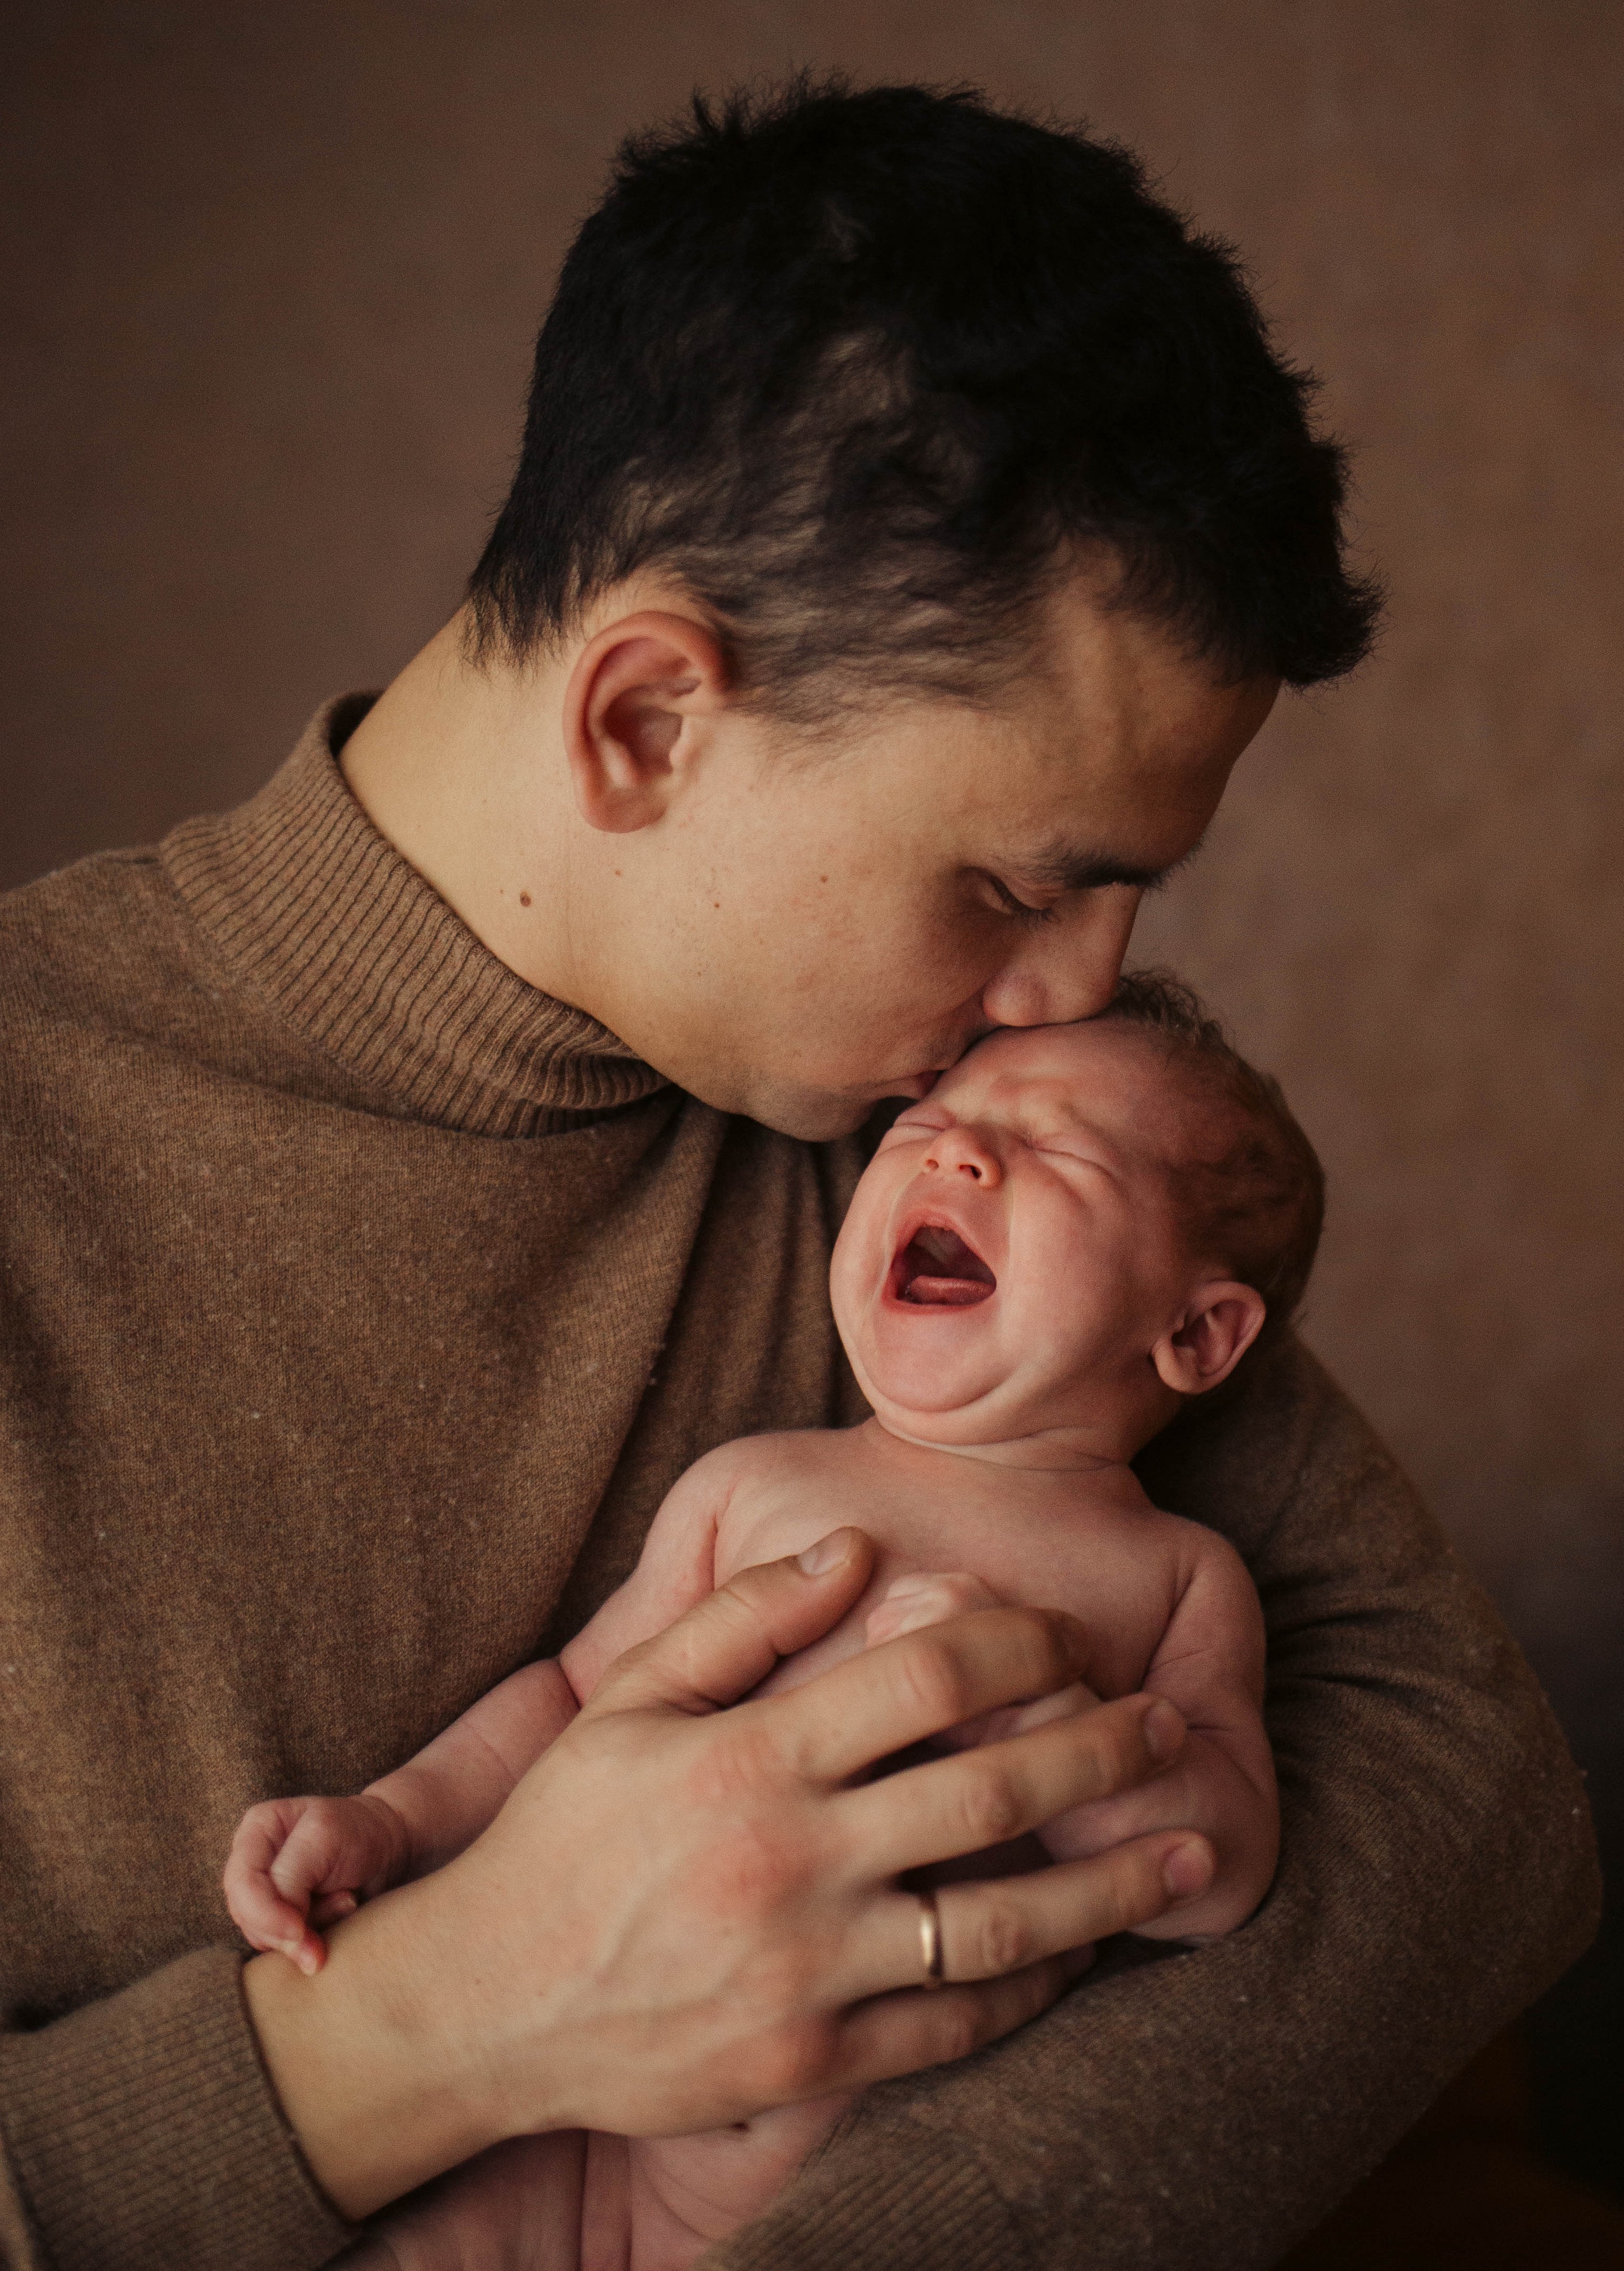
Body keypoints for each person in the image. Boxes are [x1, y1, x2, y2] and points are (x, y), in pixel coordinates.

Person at [0, 76, 1597, 2271]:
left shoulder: (919, 1153)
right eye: (1021, 886)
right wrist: (446, 2032)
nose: (1066, 1017)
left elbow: (1465, 1792)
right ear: (647, 721)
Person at [225, 982, 1313, 2269]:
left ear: (1193, 1329)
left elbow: (1224, 1861)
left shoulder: (1173, 1574)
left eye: (1060, 1144)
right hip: (553, 2107)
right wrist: (396, 1815)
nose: (958, 1148)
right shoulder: (756, 1485)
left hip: (818, 2190)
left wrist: (1047, 1722)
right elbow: (568, 1699)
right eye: (933, 1121)